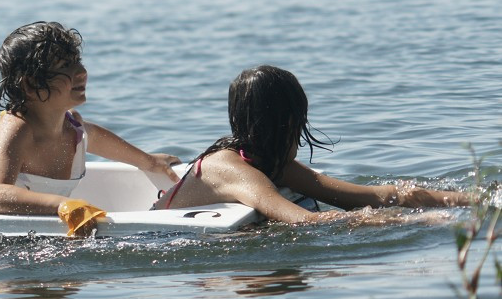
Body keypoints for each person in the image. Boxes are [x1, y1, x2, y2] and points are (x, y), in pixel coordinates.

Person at [154, 65, 469, 223]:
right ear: (287, 122)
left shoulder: (268, 162)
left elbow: (372, 196)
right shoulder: (232, 170)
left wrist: (473, 200)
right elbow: (304, 221)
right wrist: (410, 223)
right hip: (155, 239)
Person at [0, 21, 180, 228]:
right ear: (30, 84)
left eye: (77, 61)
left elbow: (97, 139)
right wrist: (62, 205)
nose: (81, 72)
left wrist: (148, 161)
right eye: (64, 67)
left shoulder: (72, 128)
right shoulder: (18, 126)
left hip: (29, 232)